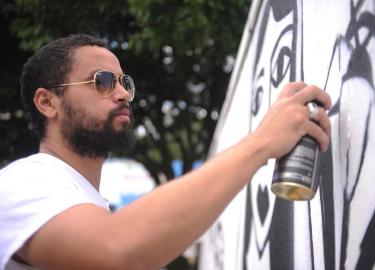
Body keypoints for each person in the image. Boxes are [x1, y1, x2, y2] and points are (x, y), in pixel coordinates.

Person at [0, 34, 332, 270]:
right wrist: (262, 143)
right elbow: (116, 249)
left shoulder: (86, 202)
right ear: (47, 102)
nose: (122, 95)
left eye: (123, 82)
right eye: (101, 81)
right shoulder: (25, 180)